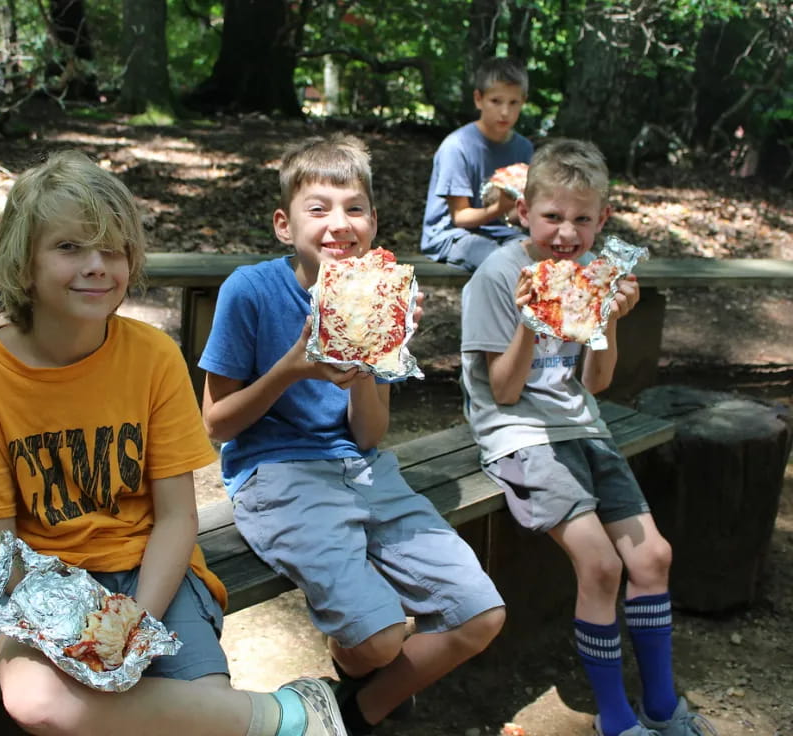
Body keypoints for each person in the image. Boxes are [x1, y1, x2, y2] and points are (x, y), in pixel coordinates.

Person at [0, 150, 349, 736]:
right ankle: (289, 714)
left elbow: (177, 516)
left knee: (197, 707)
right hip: (36, 588)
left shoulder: (151, 356)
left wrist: (132, 624)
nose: (97, 265)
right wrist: (75, 633)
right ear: (23, 264)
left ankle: (265, 713)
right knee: (38, 704)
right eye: (70, 247)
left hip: (149, 568)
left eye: (113, 249)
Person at [199, 133, 506, 736]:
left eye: (355, 208)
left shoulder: (382, 293)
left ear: (373, 220)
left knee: (480, 614)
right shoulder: (252, 290)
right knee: (383, 636)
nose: (339, 225)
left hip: (362, 469)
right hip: (276, 472)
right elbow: (214, 423)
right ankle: (360, 682)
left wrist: (373, 353)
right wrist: (293, 366)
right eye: (319, 209)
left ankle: (354, 712)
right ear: (285, 226)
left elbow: (369, 433)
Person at [460, 138, 717, 736]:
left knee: (653, 555)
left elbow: (596, 383)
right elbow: (501, 393)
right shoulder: (498, 277)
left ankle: (661, 706)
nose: (566, 234)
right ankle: (617, 719)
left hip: (581, 427)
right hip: (519, 433)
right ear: (524, 213)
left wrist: (606, 319)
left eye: (582, 219)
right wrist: (530, 323)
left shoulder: (588, 275)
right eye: (552, 217)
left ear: (602, 220)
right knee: (600, 566)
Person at [420, 56, 533, 272]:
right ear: (478, 99)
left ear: (523, 101)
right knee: (503, 263)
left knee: (534, 258)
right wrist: (500, 207)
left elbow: (514, 216)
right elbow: (460, 217)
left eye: (513, 103)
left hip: (500, 233)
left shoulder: (524, 149)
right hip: (451, 235)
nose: (505, 112)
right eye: (496, 101)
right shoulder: (457, 147)